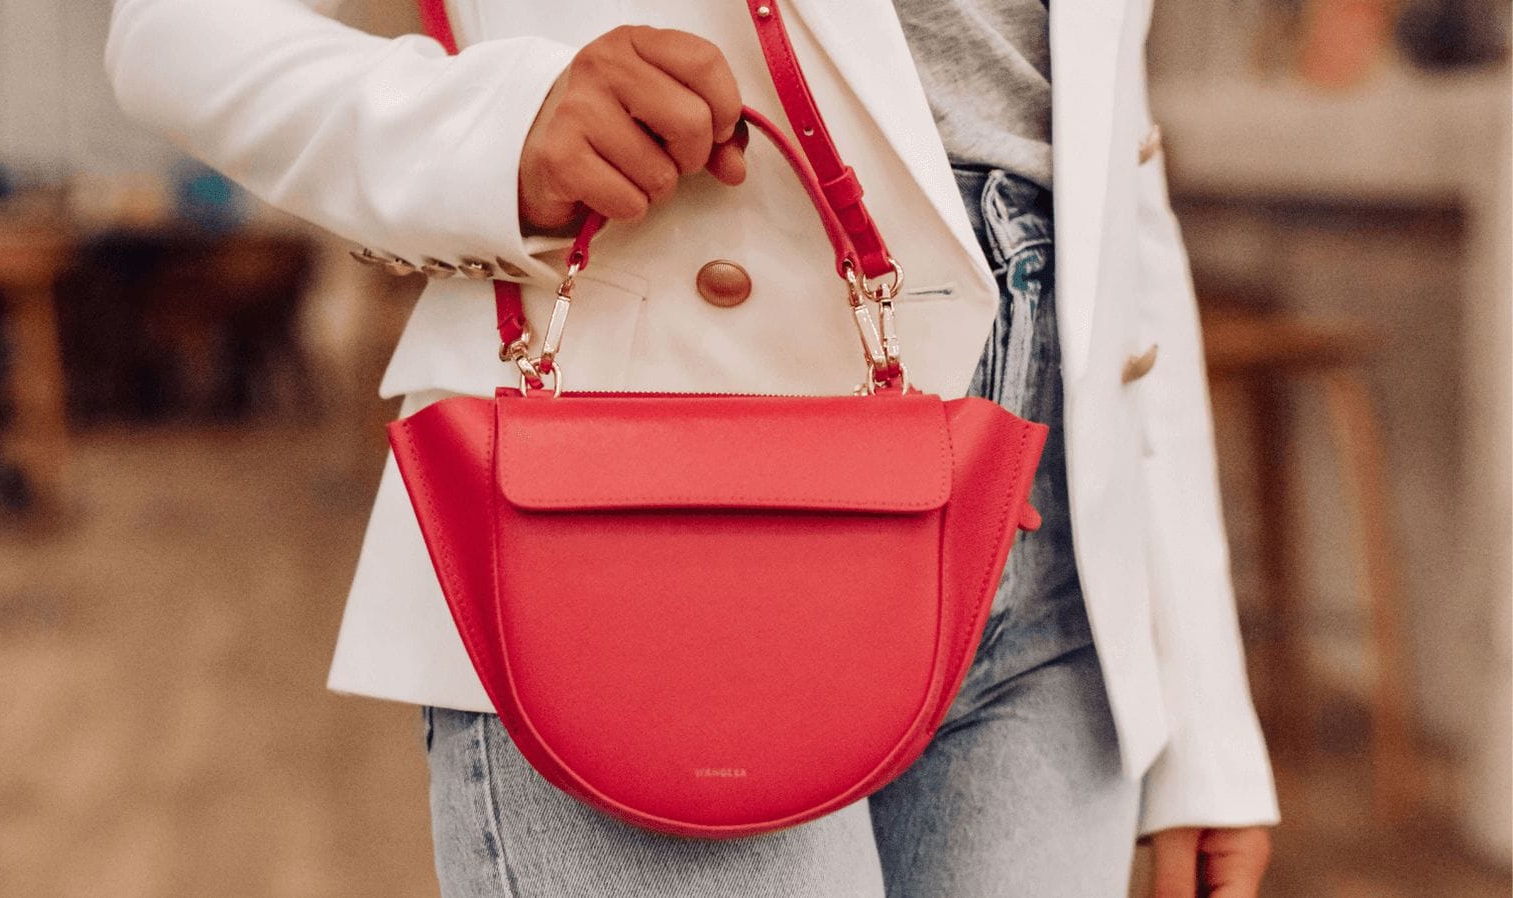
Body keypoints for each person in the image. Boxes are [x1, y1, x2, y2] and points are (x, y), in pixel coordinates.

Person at [106, 0, 1280, 894]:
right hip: (665, 523)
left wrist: (1203, 715)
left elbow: (1114, 162)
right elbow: (172, 29)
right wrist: (496, 125)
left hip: (1053, 547)